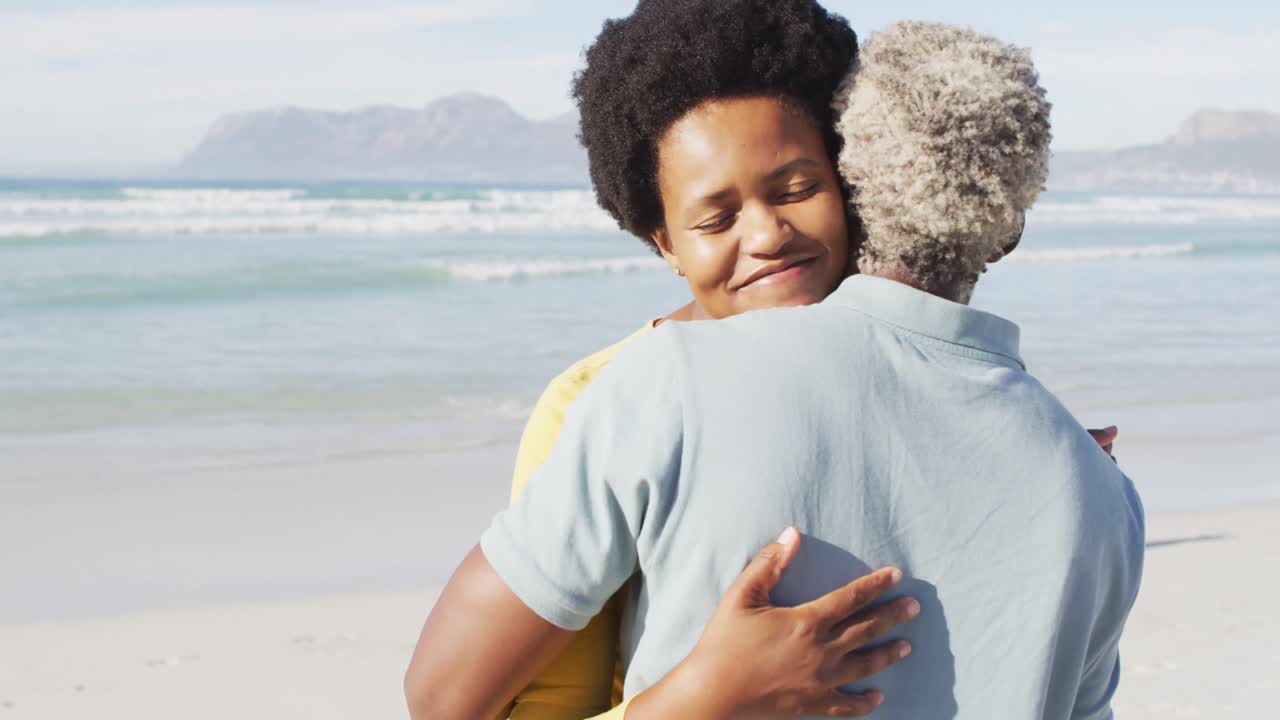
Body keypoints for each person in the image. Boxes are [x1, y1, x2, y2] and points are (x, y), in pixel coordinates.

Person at [406, 12, 1135, 720]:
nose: (767, 235)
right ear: (665, 242)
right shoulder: (611, 394)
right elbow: (468, 702)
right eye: (716, 218)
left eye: (795, 189)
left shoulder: (1068, 462)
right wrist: (704, 695)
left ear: (850, 181)